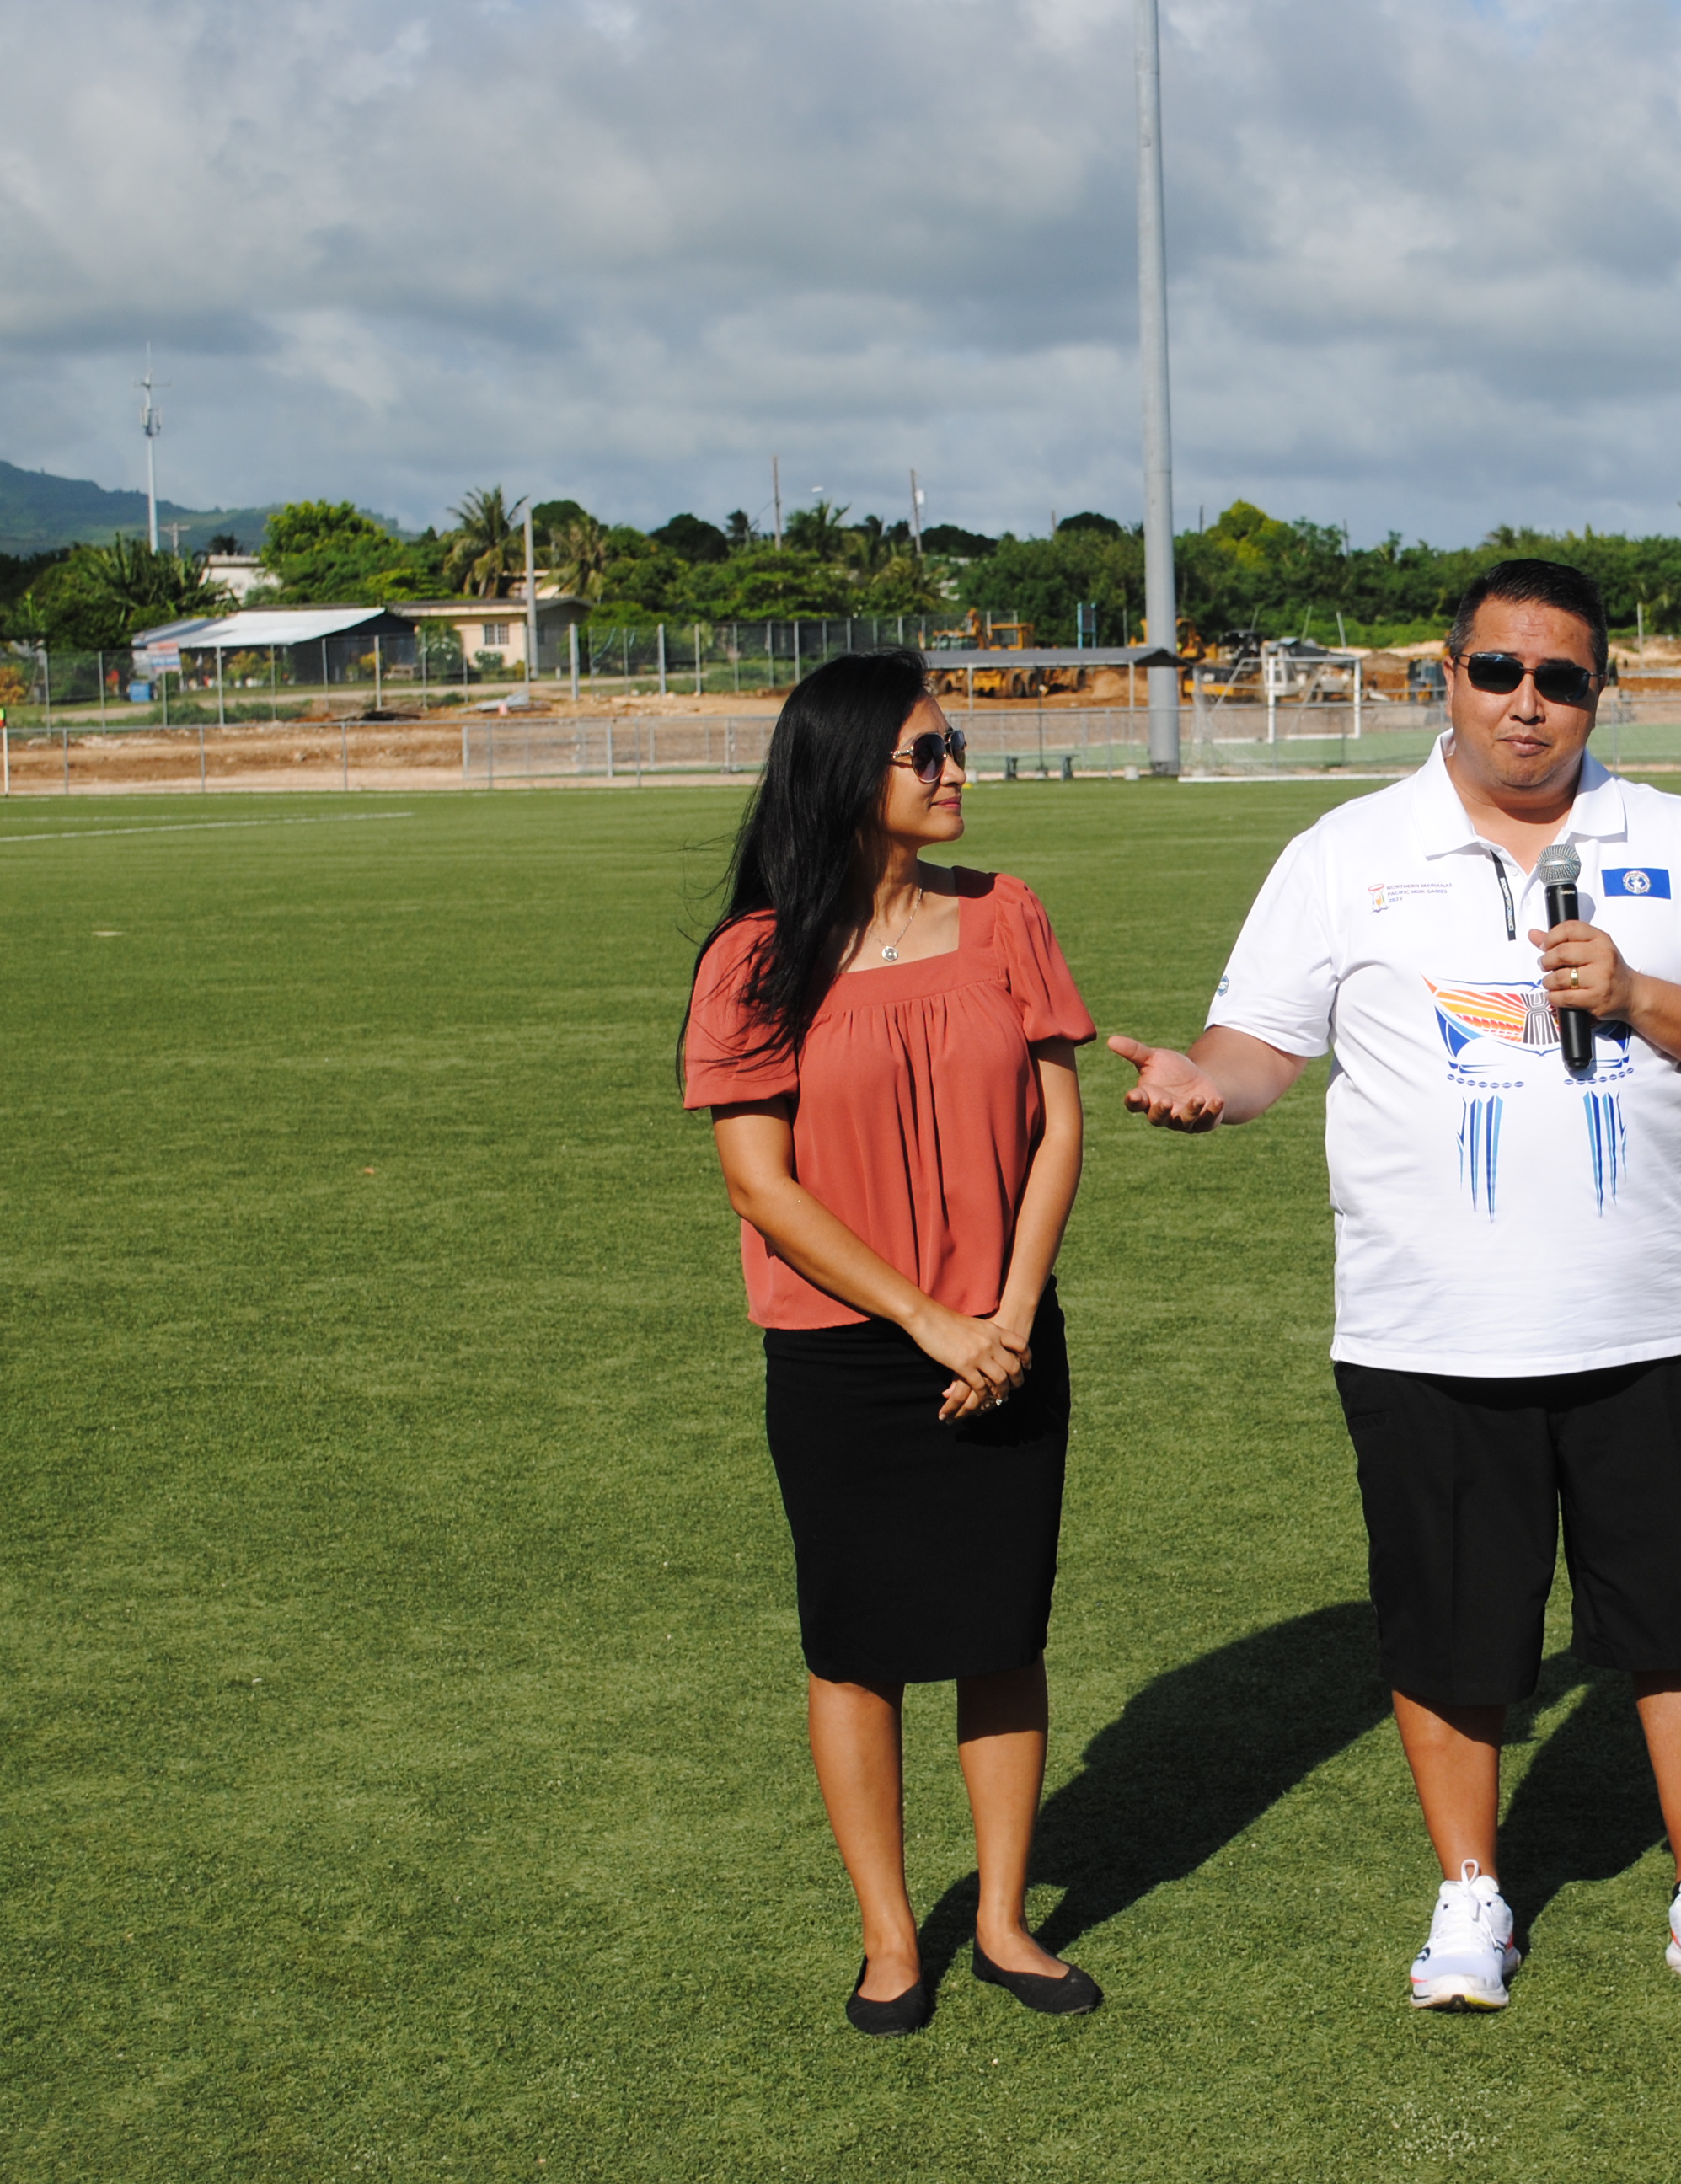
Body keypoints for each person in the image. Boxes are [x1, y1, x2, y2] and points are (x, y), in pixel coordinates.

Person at [1109, 559, 1681, 2015]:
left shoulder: (1677, 838)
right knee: (1451, 1623)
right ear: (1448, 675)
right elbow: (1257, 1042)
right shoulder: (1344, 851)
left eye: (1560, 678)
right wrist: (1206, 1088)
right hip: (1425, 1324)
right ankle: (1472, 1895)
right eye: (1499, 671)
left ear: (1597, 692)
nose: (1527, 704)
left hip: (1652, 1315)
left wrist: (1633, 996)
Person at [679, 651, 1100, 2037]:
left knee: (1000, 1631)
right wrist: (929, 1321)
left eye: (955, 745)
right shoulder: (753, 959)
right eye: (928, 751)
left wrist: (1015, 1311)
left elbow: (1058, 1126)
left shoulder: (1007, 918)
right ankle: (886, 1938)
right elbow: (763, 1186)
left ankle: (997, 1919)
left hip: (1007, 1333)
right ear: (849, 773)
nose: (956, 770)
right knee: (854, 1646)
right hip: (845, 1351)